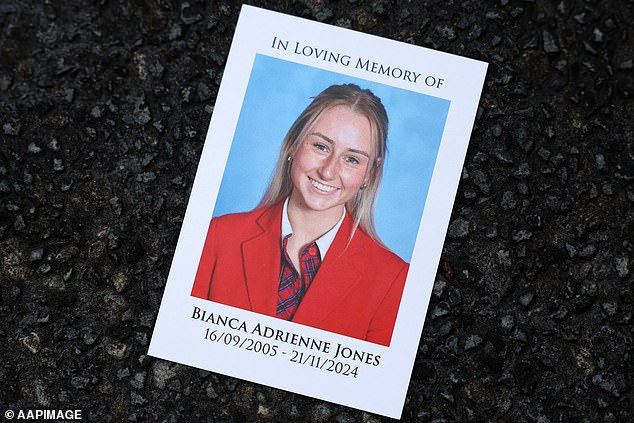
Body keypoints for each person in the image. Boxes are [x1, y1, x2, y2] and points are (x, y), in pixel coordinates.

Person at [191, 84, 408, 346]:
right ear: (294, 144)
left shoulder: (394, 280)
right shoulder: (216, 236)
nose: (328, 171)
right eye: (321, 146)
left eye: (352, 159)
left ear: (369, 174)